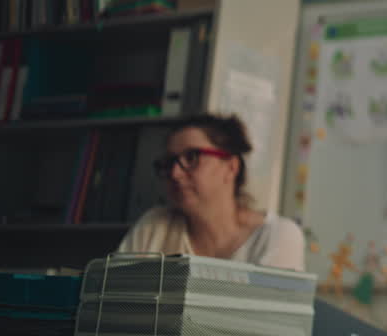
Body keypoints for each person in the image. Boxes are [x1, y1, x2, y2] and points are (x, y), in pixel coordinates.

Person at [117, 113, 306, 271]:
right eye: (169, 163)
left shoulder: (276, 236)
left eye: (192, 157)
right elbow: (114, 300)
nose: (175, 174)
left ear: (231, 167)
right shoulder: (155, 225)